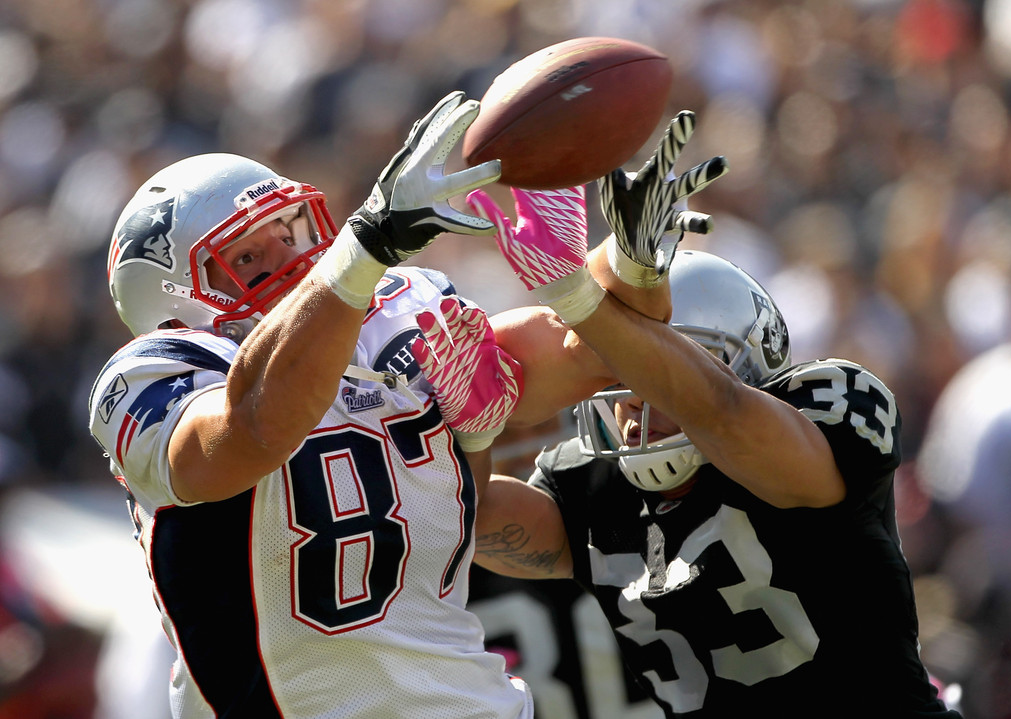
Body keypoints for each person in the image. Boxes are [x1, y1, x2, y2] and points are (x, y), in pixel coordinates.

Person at [412, 112, 963, 716]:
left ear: (749, 365)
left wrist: (576, 294)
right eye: (619, 372)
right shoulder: (594, 486)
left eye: (652, 366)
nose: (633, 394)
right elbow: (472, 515)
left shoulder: (826, 405)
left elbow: (722, 411)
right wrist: (474, 430)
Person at [86, 91, 616, 719]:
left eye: (289, 233)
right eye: (249, 257)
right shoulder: (154, 374)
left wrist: (607, 281)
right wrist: (362, 252)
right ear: (176, 299)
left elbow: (591, 358)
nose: (294, 261)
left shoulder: (394, 309)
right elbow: (253, 429)